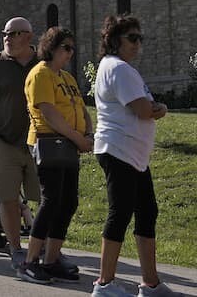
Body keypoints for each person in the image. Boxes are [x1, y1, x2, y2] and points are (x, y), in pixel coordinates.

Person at [91, 16, 181, 297]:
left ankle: (151, 284)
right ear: (115, 40)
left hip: (132, 154)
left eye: (140, 38)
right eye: (132, 38)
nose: (137, 44)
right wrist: (161, 108)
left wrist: (153, 107)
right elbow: (144, 110)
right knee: (120, 214)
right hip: (120, 150)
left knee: (146, 212)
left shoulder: (120, 68)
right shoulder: (118, 68)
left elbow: (143, 107)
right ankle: (104, 285)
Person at [0, 17, 46, 281]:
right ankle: (16, 250)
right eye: (5, 34)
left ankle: (47, 250)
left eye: (13, 34)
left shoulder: (43, 64)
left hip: (40, 143)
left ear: (28, 36)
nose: (7, 38)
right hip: (3, 142)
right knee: (8, 199)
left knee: (47, 199)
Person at [22, 26, 90, 283]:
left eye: (73, 48)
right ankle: (30, 261)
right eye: (66, 48)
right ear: (51, 48)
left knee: (68, 201)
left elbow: (82, 110)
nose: (70, 53)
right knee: (50, 201)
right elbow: (49, 112)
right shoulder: (40, 74)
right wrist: (77, 138)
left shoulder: (68, 78)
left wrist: (89, 135)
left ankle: (51, 261)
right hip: (49, 143)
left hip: (71, 144)